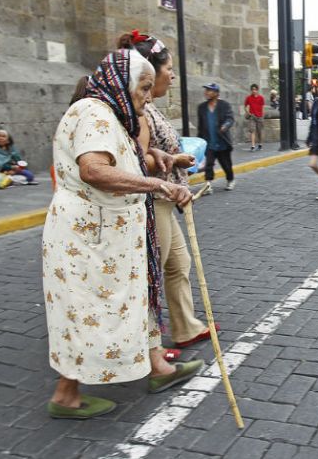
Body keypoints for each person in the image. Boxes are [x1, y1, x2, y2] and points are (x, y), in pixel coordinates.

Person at [43, 48, 201, 420]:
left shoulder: (111, 115)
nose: (148, 97)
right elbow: (94, 170)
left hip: (110, 239)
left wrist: (156, 161)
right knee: (85, 310)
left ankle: (157, 366)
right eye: (143, 88)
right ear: (120, 84)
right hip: (90, 240)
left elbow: (118, 161)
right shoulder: (94, 113)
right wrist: (156, 185)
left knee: (130, 302)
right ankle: (66, 395)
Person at [118, 31, 219, 359]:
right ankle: (145, 349)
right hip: (153, 199)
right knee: (151, 273)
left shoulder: (150, 107)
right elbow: (137, 158)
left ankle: (185, 327)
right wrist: (175, 160)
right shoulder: (140, 111)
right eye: (169, 69)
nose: (172, 75)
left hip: (164, 197)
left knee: (178, 263)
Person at [197, 82, 235, 193]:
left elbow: (230, 118)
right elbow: (200, 126)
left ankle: (230, 179)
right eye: (206, 90)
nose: (206, 92)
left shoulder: (224, 105)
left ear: (216, 93)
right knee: (208, 164)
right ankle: (208, 185)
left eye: (209, 90)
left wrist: (225, 126)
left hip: (222, 142)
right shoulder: (202, 108)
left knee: (226, 164)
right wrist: (199, 141)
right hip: (209, 142)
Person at [244, 83, 265, 152]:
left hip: (260, 117)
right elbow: (245, 106)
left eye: (255, 89)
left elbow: (263, 108)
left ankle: (260, 144)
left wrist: (262, 116)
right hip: (252, 116)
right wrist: (248, 112)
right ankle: (253, 146)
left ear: (257, 90)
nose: (254, 91)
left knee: (259, 132)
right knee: (252, 131)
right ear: (251, 90)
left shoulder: (261, 98)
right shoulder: (249, 98)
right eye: (252, 89)